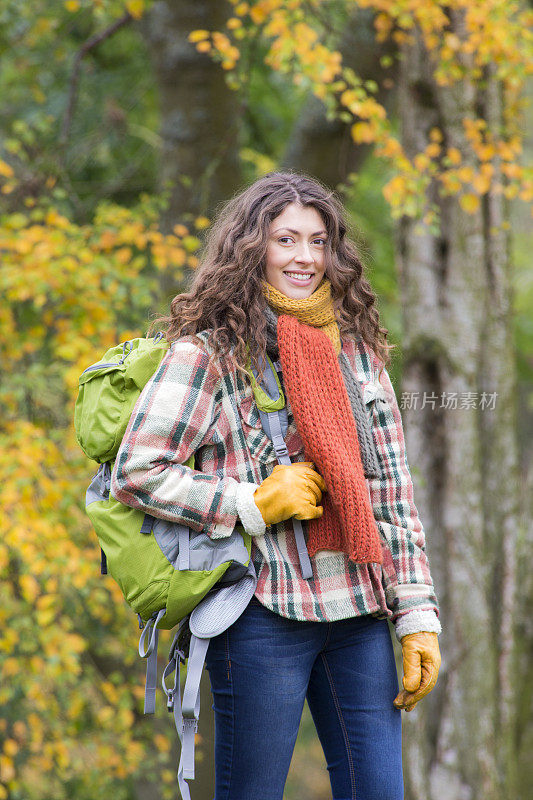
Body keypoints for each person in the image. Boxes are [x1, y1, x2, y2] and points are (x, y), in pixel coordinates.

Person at [111, 171, 442, 800]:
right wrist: (250, 502)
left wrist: (417, 614)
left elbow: (391, 493)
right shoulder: (207, 355)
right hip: (262, 613)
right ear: (251, 246)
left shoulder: (358, 355)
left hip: (361, 611)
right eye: (286, 240)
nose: (306, 258)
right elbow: (138, 469)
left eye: (318, 242)